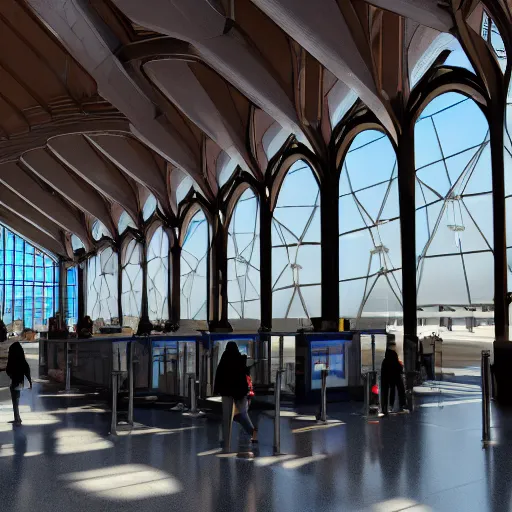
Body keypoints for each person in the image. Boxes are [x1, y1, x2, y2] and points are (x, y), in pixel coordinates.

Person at [214, 342, 257, 452]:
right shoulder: (240, 359)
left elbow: (218, 376)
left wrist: (216, 390)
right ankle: (253, 432)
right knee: (243, 413)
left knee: (226, 416)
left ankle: (226, 438)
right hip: (240, 392)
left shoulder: (224, 359)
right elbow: (245, 373)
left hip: (226, 392)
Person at [6, 341, 32, 425]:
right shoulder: (23, 361)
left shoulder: (12, 361)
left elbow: (8, 370)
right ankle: (17, 418)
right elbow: (27, 371)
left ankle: (17, 418)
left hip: (14, 382)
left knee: (15, 402)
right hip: (21, 382)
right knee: (16, 401)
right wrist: (30, 382)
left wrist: (11, 375)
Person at [381, 345, 406, 415]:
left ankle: (387, 406)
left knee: (389, 391)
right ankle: (401, 404)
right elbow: (400, 368)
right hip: (396, 377)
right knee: (399, 390)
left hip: (387, 378)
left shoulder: (385, 361)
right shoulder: (394, 357)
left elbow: (383, 371)